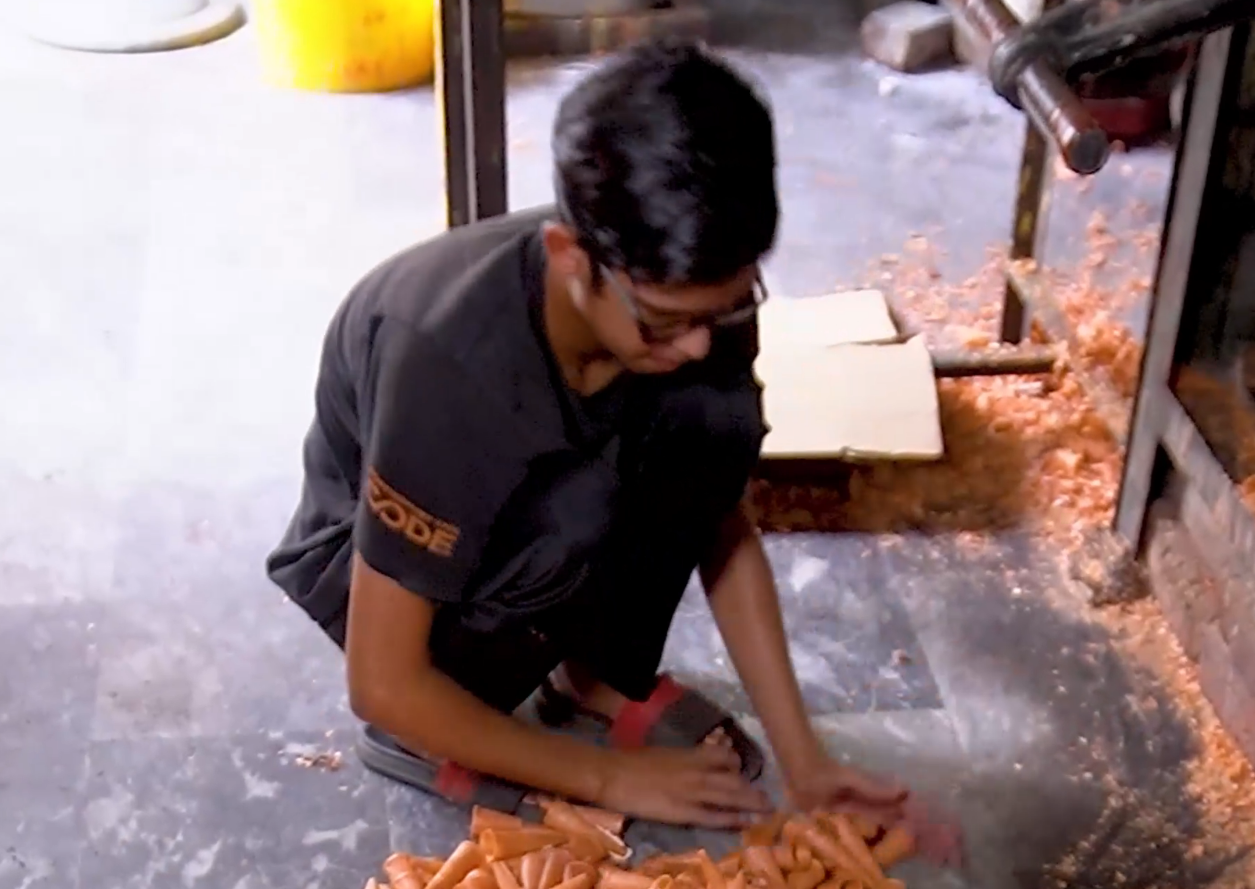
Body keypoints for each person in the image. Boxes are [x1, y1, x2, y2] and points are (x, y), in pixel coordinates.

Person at [267, 40, 904, 831]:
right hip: (383, 567)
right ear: (571, 258)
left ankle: (585, 674)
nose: (700, 343)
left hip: (534, 512)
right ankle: (439, 730)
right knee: (575, 510)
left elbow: (719, 520)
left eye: (724, 310)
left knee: (705, 417)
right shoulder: (449, 365)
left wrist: (805, 760)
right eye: (668, 322)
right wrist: (605, 781)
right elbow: (380, 677)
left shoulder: (688, 295)